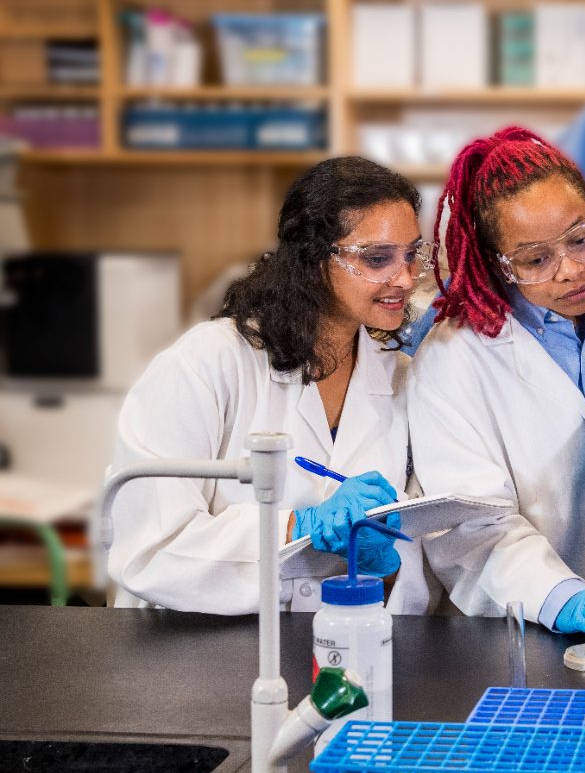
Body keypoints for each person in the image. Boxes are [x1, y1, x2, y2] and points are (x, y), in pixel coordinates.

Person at [108, 157, 432, 615]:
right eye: (377, 258)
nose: (404, 279)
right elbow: (150, 549)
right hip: (187, 649)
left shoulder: (398, 374)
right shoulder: (209, 363)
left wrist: (387, 561)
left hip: (335, 646)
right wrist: (296, 527)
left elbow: (415, 554)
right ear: (314, 259)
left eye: (411, 254)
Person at [407, 127, 585, 640]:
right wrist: (561, 597)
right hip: (516, 633)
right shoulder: (453, 360)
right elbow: (468, 526)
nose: (571, 271)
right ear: (496, 265)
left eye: (582, 240)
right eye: (536, 260)